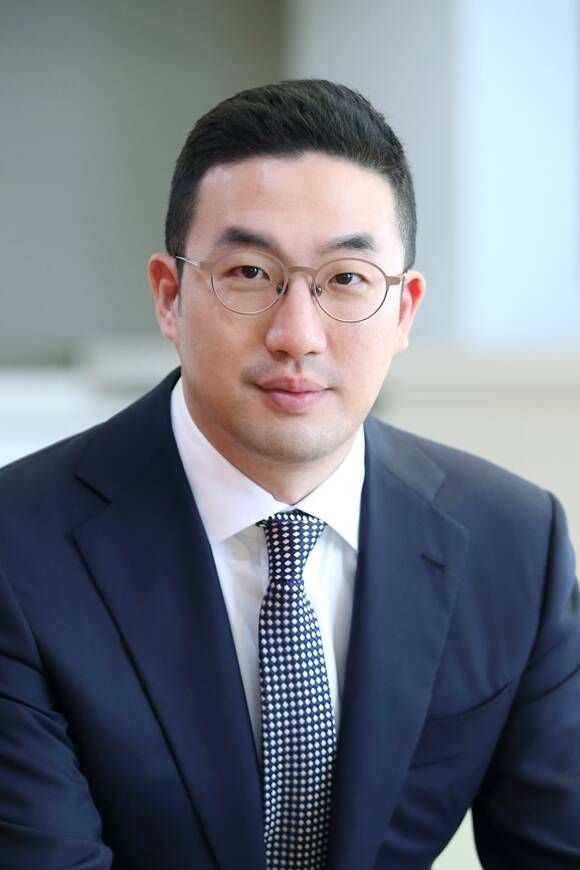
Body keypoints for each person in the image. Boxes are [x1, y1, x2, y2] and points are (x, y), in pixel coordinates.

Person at [0, 79, 578, 870]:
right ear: (169, 297)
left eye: (346, 278)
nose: (297, 335)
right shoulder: (19, 552)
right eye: (248, 272)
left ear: (404, 310)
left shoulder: (515, 544)